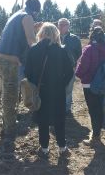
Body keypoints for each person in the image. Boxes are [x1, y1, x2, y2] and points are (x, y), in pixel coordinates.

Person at [25, 23, 74, 157]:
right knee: (59, 119)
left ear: (41, 34)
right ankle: (62, 147)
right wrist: (62, 84)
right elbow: (70, 72)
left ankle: (45, 148)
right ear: (56, 34)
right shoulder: (61, 50)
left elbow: (27, 72)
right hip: (57, 90)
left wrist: (35, 84)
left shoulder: (33, 50)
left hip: (40, 90)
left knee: (42, 120)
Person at [0, 0, 41, 139]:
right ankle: (9, 130)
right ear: (35, 10)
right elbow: (32, 42)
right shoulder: (27, 17)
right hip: (10, 61)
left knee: (9, 94)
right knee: (11, 96)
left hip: (3, 59)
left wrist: (33, 28)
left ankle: (8, 125)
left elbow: (20, 34)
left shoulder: (18, 14)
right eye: (37, 13)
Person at [76, 26, 105, 146]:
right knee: (100, 109)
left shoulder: (88, 49)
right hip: (102, 84)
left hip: (89, 84)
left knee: (93, 110)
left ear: (92, 36)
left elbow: (82, 67)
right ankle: (97, 133)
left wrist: (79, 75)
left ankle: (95, 136)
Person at [57, 18, 82, 116]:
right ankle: (58, 107)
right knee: (57, 88)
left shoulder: (75, 38)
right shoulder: (54, 37)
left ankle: (66, 109)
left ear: (68, 26)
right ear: (57, 26)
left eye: (64, 24)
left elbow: (80, 54)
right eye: (60, 24)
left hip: (70, 68)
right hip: (56, 68)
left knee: (68, 89)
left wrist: (76, 66)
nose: (62, 26)